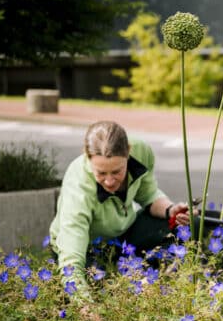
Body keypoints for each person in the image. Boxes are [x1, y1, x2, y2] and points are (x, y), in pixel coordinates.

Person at [50, 121, 191, 300]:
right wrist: (86, 307)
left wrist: (170, 209)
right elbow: (72, 261)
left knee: (176, 226)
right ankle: (131, 282)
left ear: (128, 152)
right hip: (86, 247)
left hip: (120, 235)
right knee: (103, 295)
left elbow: (148, 194)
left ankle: (150, 283)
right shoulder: (78, 190)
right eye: (101, 173)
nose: (109, 181)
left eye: (117, 171)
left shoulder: (141, 151)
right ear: (87, 157)